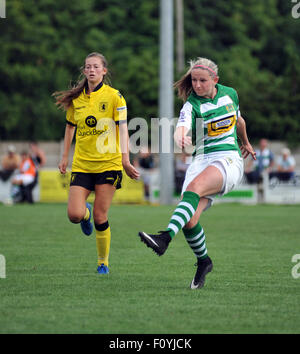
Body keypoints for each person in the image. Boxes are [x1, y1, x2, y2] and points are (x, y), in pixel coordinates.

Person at [138, 57, 256, 289]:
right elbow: (181, 127)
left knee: (193, 190)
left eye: (202, 80)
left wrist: (246, 142)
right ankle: (204, 262)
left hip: (228, 159)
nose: (197, 85)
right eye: (194, 80)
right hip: (201, 161)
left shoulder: (230, 94)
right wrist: (179, 136)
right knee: (190, 220)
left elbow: (239, 121)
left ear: (215, 80)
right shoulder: (191, 105)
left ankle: (164, 238)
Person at [53, 52, 139, 275]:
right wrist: (64, 157)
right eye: (87, 67)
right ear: (84, 71)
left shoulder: (114, 97)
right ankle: (85, 214)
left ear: (104, 71)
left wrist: (125, 160)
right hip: (82, 164)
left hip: (108, 164)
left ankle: (103, 263)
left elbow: (122, 129)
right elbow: (70, 127)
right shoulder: (77, 99)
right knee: (74, 214)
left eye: (95, 67)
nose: (91, 70)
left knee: (102, 216)